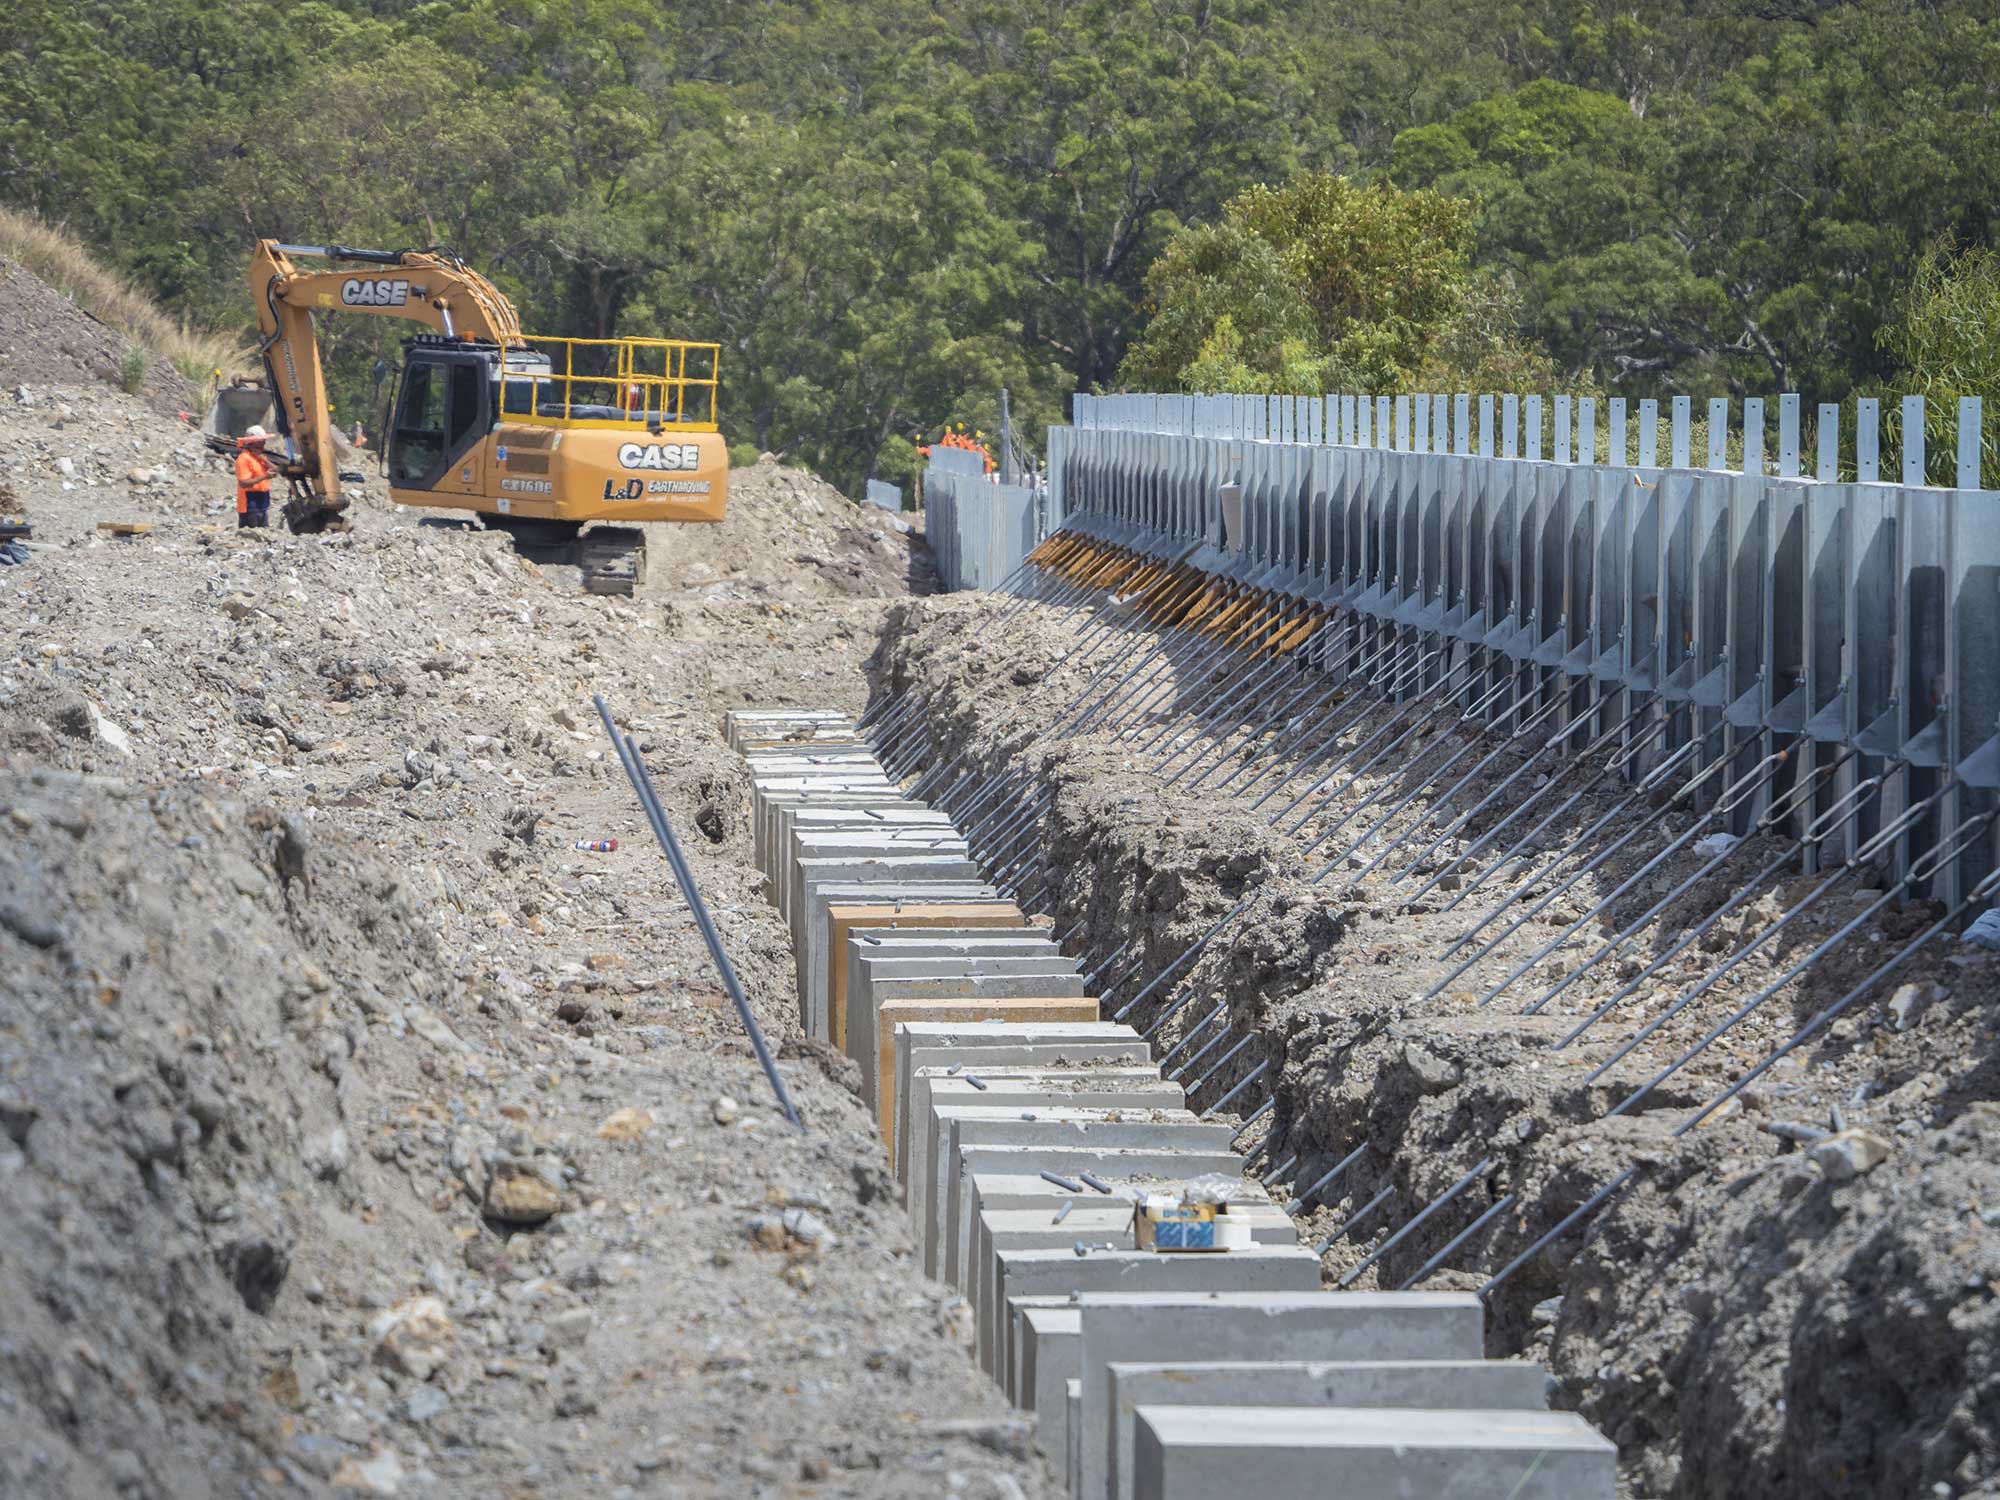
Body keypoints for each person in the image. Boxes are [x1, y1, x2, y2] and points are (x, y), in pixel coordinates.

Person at [235, 426, 273, 529]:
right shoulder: (244, 459)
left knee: (264, 531)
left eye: (264, 441)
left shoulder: (259, 457)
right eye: (260, 442)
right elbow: (243, 483)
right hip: (250, 503)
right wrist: (265, 476)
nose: (263, 444)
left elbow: (275, 470)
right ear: (252, 443)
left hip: (262, 500)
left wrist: (264, 460)